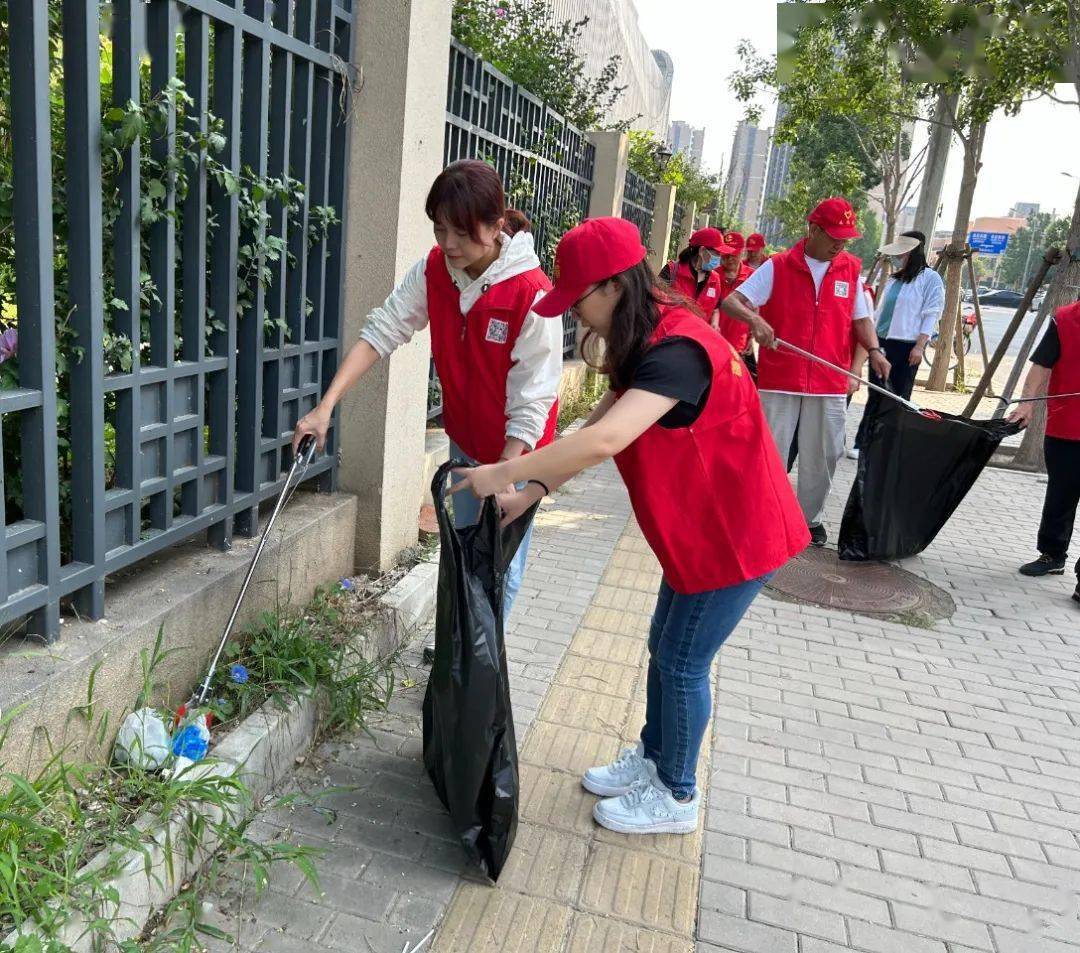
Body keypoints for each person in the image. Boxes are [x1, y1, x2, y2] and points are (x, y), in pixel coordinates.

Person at [451, 217, 808, 835]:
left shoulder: (679, 350)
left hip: (737, 537)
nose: (576, 316)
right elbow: (594, 430)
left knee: (682, 662)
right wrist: (532, 490)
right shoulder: (647, 339)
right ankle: (655, 757)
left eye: (579, 299)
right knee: (663, 649)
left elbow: (608, 439)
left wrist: (496, 473)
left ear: (614, 286)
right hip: (698, 533)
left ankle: (676, 794)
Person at [292, 159, 562, 617]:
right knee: (467, 547)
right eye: (440, 229)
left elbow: (533, 401)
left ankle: (481, 671)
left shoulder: (530, 294)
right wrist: (326, 405)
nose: (449, 244)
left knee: (499, 562)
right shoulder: (435, 270)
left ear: (496, 227)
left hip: (521, 449)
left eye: (461, 232)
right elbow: (383, 330)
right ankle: (464, 652)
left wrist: (502, 472)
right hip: (465, 438)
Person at [720, 197, 891, 549]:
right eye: (833, 237)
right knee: (771, 452)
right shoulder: (779, 266)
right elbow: (732, 302)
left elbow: (861, 319)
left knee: (825, 454)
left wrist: (872, 350)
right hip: (781, 377)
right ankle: (762, 516)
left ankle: (807, 520)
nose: (839, 245)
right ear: (813, 230)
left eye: (845, 239)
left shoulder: (850, 270)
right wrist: (755, 319)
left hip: (829, 382)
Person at [848, 232, 944, 459]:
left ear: (913, 250)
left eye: (903, 250)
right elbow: (878, 313)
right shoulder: (895, 279)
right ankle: (863, 442)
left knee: (898, 398)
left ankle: (888, 447)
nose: (899, 255)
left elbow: (931, 315)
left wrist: (920, 346)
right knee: (876, 394)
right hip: (881, 343)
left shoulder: (930, 279)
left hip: (907, 346)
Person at [1010, 299, 1080, 606]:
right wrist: (1026, 402)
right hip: (1067, 425)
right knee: (1061, 493)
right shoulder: (1064, 320)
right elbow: (1041, 365)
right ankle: (1052, 554)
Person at [659, 228, 736, 327]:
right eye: (716, 253)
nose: (719, 257)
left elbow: (716, 308)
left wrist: (714, 323)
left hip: (695, 338)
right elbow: (655, 303)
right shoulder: (672, 271)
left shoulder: (715, 280)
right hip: (668, 336)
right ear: (702, 251)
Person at [715, 230, 757, 370]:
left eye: (734, 254)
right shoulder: (713, 275)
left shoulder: (752, 276)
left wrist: (752, 336)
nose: (730, 258)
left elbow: (755, 308)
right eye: (726, 254)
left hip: (739, 343)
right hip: (714, 340)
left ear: (742, 253)